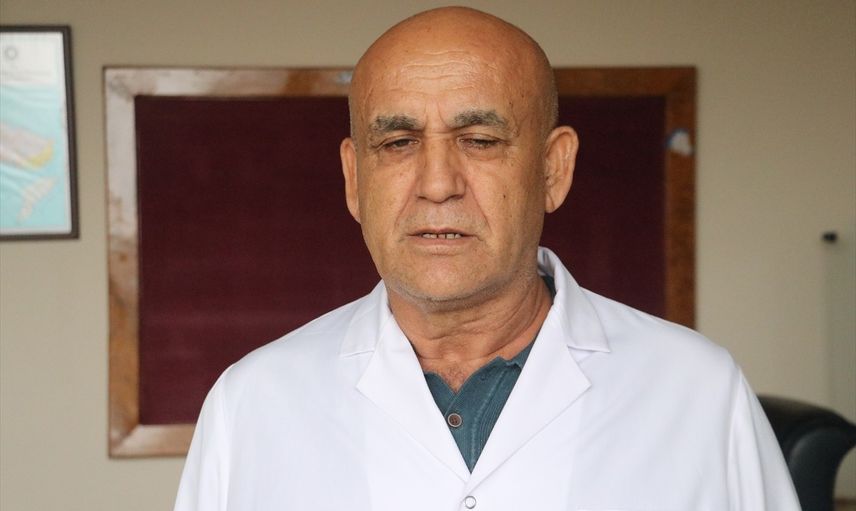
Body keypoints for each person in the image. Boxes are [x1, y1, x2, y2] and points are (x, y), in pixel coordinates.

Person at [174, 7, 800, 510]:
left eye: (479, 140)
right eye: (398, 142)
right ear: (354, 179)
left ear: (552, 169)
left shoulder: (697, 391)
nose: (437, 184)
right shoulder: (252, 404)